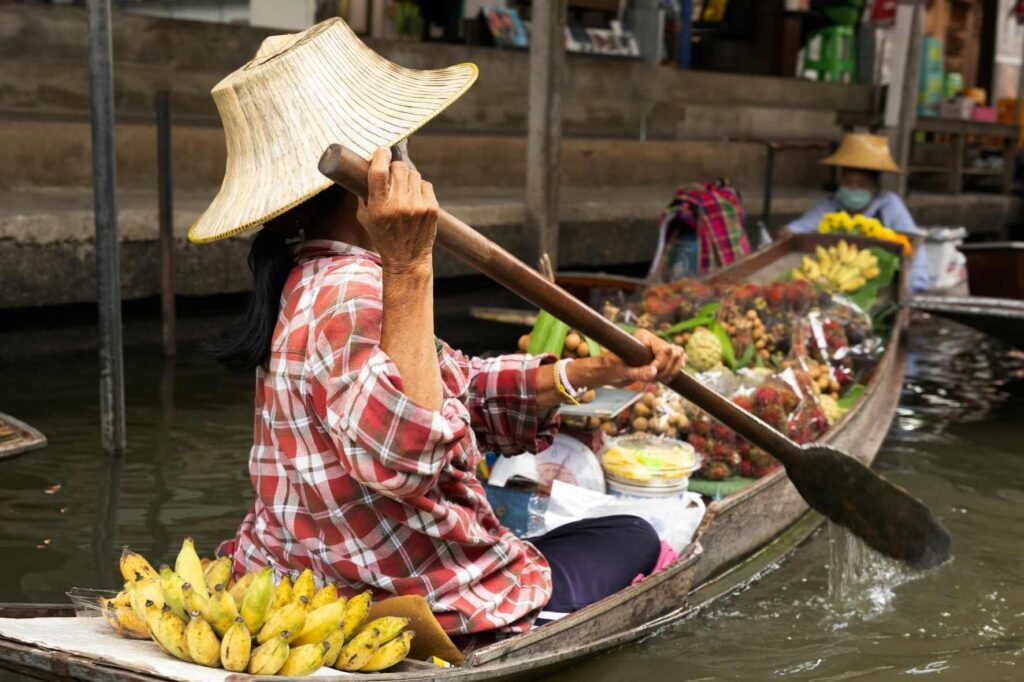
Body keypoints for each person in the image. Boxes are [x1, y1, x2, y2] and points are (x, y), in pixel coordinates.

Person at [189, 19, 685, 639]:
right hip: (410, 603)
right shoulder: (356, 290)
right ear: (384, 173)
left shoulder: (307, 275)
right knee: (637, 533)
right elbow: (406, 459)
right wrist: (410, 261)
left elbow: (455, 387)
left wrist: (583, 375)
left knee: (586, 533)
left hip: (307, 576)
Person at [782, 133, 930, 292]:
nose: (853, 188)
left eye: (861, 184)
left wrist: (915, 284)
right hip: (836, 282)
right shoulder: (830, 205)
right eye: (848, 182)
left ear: (875, 186)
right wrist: (787, 234)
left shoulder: (889, 205)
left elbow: (913, 246)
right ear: (839, 181)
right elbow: (798, 228)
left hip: (883, 286)